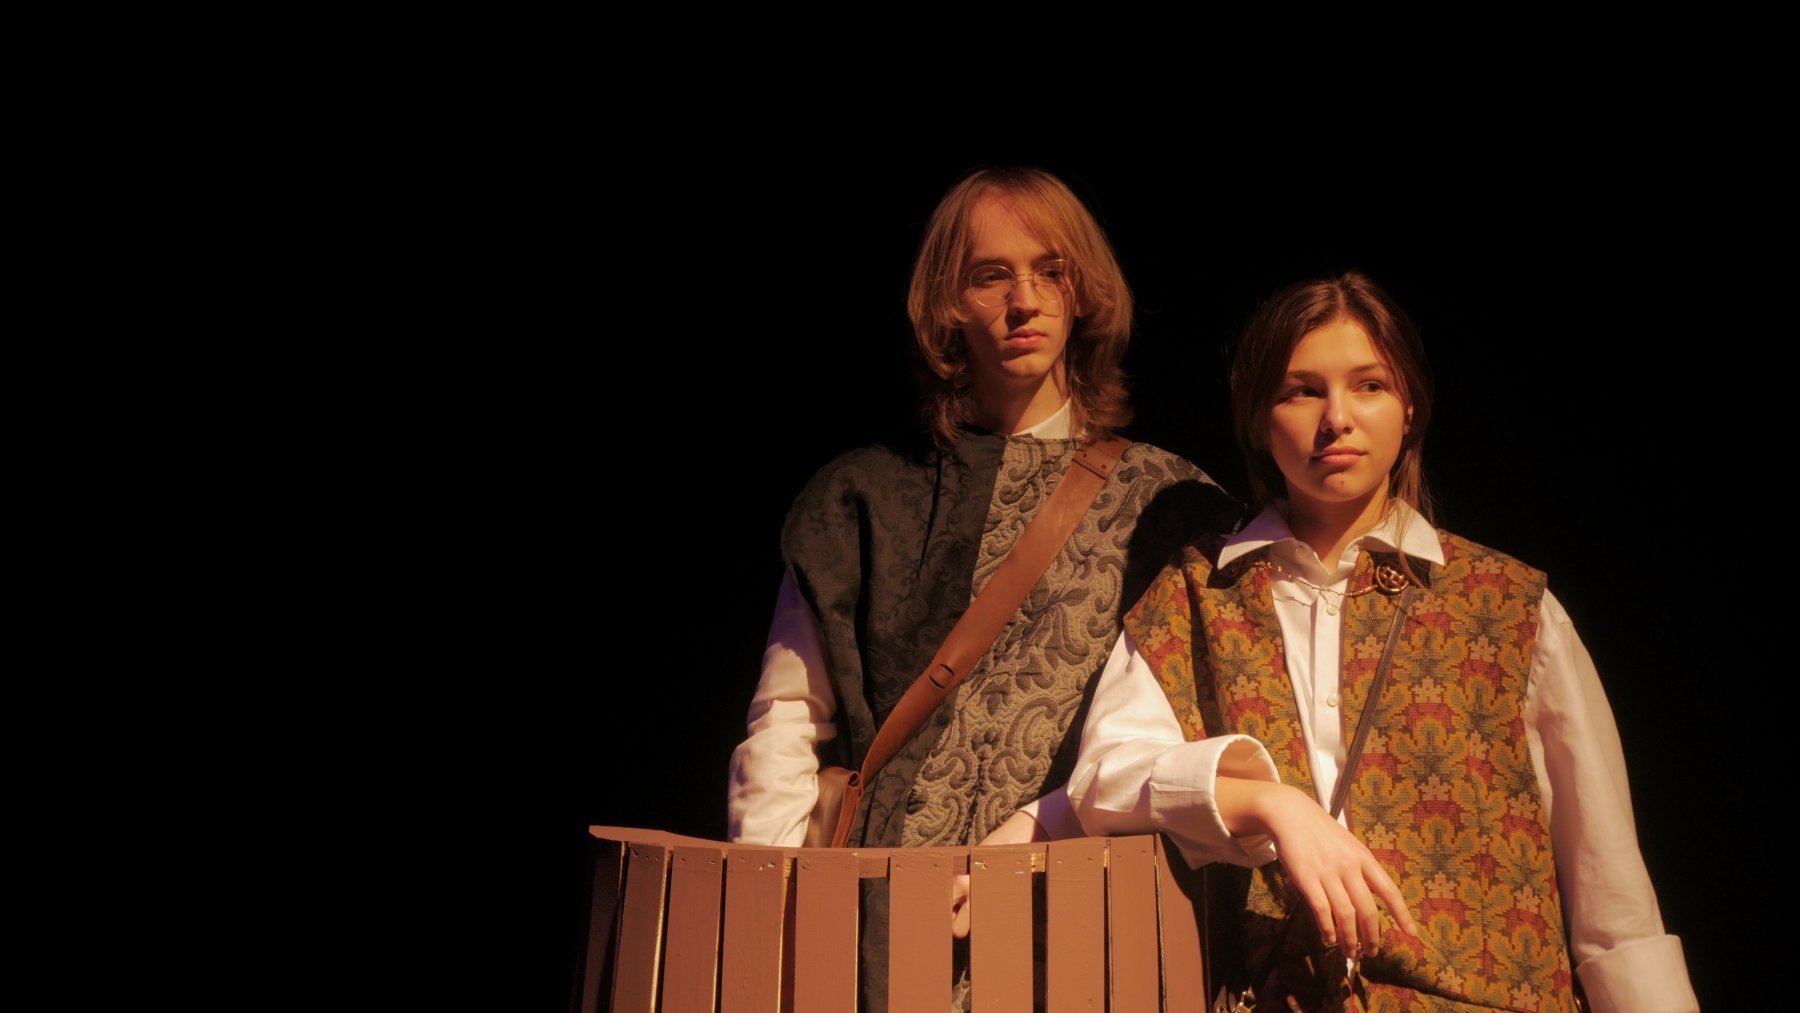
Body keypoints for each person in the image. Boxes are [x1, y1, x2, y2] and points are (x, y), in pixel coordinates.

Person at [1067, 272, 1697, 1012]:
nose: (1336, 417)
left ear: (1408, 408)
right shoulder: (1196, 595)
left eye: (1367, 384)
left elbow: (1611, 899)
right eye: (1301, 390)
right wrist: (1272, 803)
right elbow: (1103, 779)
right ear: (1259, 420)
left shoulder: (1512, 606)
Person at [725, 166, 1240, 1006]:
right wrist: (780, 917)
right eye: (990, 274)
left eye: (1050, 270)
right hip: (881, 919)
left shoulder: (1172, 504)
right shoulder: (862, 498)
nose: (1024, 299)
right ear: (947, 305)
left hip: (1083, 921)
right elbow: (786, 720)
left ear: (1084, 293)